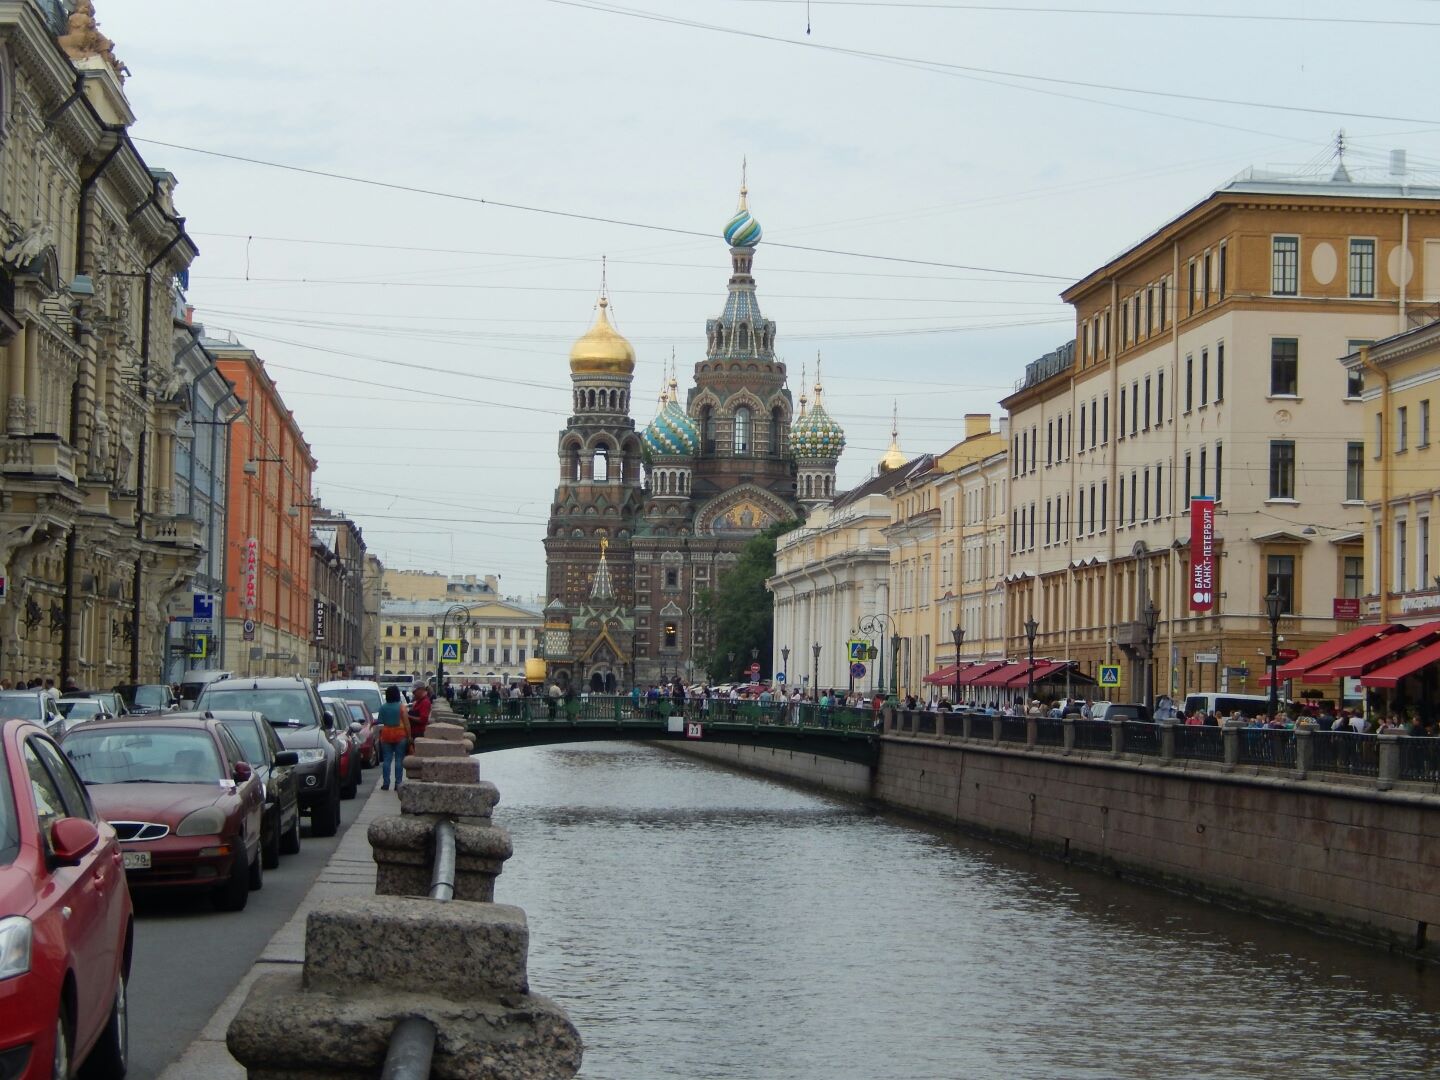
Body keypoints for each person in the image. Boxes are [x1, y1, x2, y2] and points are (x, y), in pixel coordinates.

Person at [377, 685, 411, 791]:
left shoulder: (383, 707)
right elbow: (407, 723)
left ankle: (386, 783)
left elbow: (380, 723)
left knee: (387, 759)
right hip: (400, 735)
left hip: (386, 734)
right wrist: (409, 736)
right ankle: (398, 783)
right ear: (397, 695)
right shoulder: (401, 707)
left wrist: (380, 736)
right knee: (399, 760)